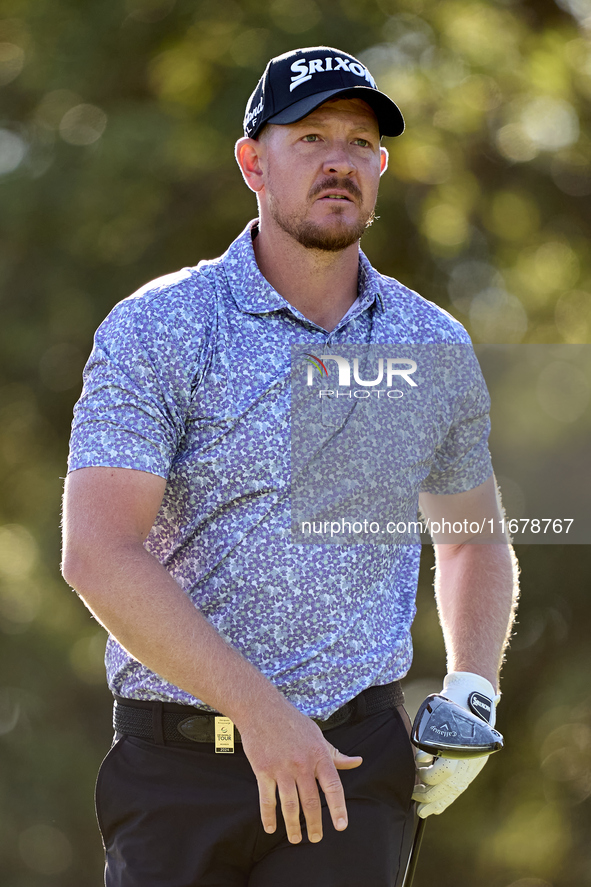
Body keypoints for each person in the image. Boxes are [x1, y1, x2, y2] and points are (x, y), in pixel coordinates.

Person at [61, 46, 519, 887]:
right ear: (252, 163)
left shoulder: (431, 344)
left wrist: (472, 691)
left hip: (352, 770)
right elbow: (99, 550)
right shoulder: (160, 325)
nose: (339, 159)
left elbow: (471, 541)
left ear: (378, 168)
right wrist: (262, 714)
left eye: (358, 142)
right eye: (309, 137)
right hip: (176, 773)